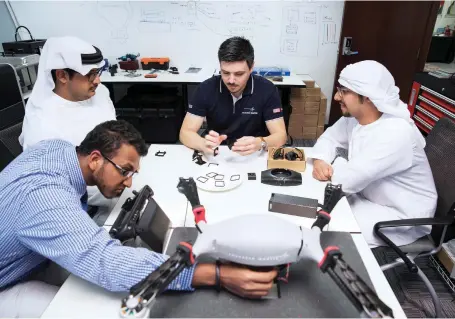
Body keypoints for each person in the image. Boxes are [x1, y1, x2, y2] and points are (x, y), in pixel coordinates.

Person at [0, 120, 277, 318]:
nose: (130, 183)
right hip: (7, 284)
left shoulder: (58, 150)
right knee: (96, 309)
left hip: (30, 257)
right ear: (95, 159)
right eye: (125, 171)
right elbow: (106, 264)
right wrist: (216, 274)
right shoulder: (45, 197)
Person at [309, 60, 437, 247]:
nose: (337, 97)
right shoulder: (357, 118)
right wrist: (321, 160)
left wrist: (336, 163)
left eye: (344, 91)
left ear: (368, 97)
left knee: (324, 227)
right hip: (367, 196)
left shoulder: (395, 133)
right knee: (316, 213)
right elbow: (329, 138)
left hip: (400, 216)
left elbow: (346, 181)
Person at [19, 36, 116, 206]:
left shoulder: (100, 94)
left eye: (98, 72)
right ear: (62, 75)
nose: (97, 81)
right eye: (90, 74)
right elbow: (58, 188)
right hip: (88, 205)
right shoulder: (43, 125)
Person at [179, 36, 287, 156]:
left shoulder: (267, 90)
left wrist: (261, 142)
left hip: (253, 152)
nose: (231, 80)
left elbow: (281, 136)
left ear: (251, 68)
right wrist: (202, 143)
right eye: (225, 73)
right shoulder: (206, 89)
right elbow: (185, 132)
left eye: (239, 74)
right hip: (217, 152)